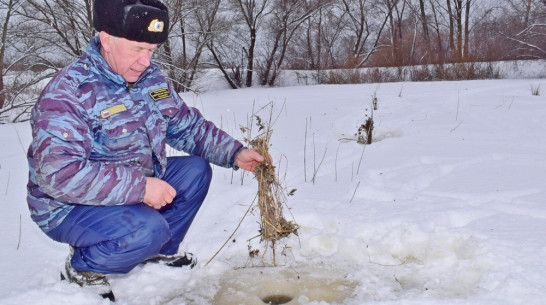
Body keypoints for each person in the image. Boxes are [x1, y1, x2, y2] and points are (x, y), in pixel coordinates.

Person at [26, 0, 265, 301]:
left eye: (151, 50)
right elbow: (59, 175)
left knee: (195, 171)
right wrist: (141, 188)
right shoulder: (69, 93)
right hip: (66, 206)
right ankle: (84, 268)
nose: (145, 60)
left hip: (128, 184)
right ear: (106, 40)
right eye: (137, 49)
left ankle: (155, 254)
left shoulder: (150, 79)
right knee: (147, 228)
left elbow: (185, 125)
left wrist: (234, 153)